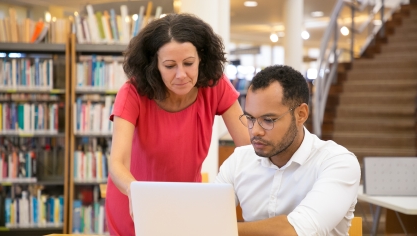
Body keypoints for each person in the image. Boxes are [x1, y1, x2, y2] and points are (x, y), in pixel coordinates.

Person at [106, 13, 250, 235]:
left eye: (189, 63)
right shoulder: (132, 93)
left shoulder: (214, 85)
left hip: (184, 204)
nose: (181, 74)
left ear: (201, 58)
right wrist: (134, 192)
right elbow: (117, 163)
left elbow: (248, 147)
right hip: (134, 204)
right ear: (154, 65)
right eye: (170, 65)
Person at [215, 65, 361, 236]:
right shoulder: (239, 160)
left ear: (301, 114)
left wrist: (219, 230)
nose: (255, 131)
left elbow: (295, 231)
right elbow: (207, 217)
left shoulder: (337, 162)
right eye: (250, 118)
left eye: (268, 120)